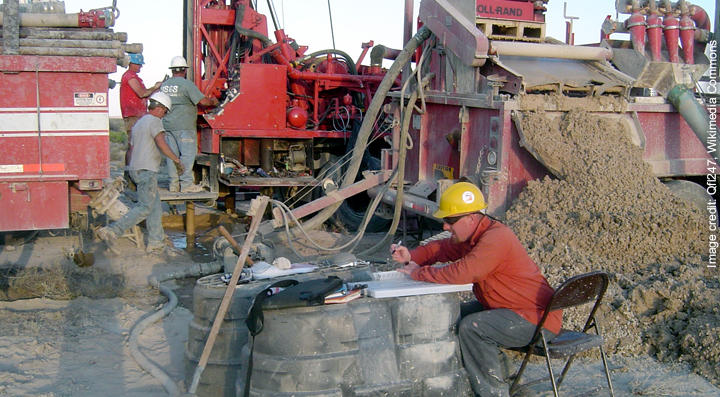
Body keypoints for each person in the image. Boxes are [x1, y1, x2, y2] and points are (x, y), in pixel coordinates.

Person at [390, 182, 562, 397]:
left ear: (471, 217)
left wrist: (418, 273)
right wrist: (411, 256)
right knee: (452, 315)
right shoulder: (475, 234)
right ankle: (504, 377)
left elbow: (463, 272)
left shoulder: (496, 238)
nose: (445, 226)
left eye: (450, 220)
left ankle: (493, 392)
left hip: (535, 318)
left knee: (474, 327)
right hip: (512, 309)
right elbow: (442, 249)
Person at [97, 92, 186, 254]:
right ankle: (112, 230)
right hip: (147, 170)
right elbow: (161, 143)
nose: (164, 115)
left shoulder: (139, 123)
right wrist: (177, 160)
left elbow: (129, 150)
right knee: (145, 207)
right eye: (165, 111)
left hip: (136, 169)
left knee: (155, 207)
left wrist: (129, 170)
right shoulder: (154, 122)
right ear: (159, 108)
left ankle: (156, 242)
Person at [160, 56, 219, 193]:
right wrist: (214, 102)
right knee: (186, 155)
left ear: (173, 70)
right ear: (185, 70)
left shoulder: (165, 85)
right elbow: (203, 102)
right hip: (184, 126)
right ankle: (186, 184)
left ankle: (173, 185)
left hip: (168, 125)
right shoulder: (186, 84)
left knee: (172, 156)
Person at [119, 53, 162, 183]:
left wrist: (154, 90)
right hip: (133, 115)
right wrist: (155, 87)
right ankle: (130, 175)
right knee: (133, 145)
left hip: (135, 115)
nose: (140, 67)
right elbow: (142, 93)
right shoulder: (130, 76)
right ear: (132, 63)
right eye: (139, 64)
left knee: (136, 145)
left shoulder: (134, 77)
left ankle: (132, 174)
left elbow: (144, 95)